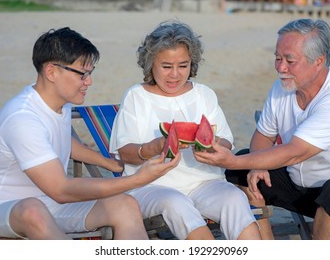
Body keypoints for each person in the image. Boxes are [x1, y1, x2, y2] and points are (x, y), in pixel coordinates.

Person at [0, 27, 180, 240]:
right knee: (33, 211)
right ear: (52, 72)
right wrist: (137, 179)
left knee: (125, 205)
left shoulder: (58, 103)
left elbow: (62, 140)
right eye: (82, 74)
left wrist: (107, 162)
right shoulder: (22, 118)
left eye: (90, 73)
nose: (89, 82)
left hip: (49, 204)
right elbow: (61, 190)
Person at [194, 18, 330, 240]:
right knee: (243, 166)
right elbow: (264, 135)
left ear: (319, 61)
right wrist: (255, 164)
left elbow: (295, 151)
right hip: (300, 188)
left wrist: (229, 160)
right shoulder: (283, 87)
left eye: (289, 60)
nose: (280, 67)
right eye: (277, 58)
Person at [109, 20, 261, 240]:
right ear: (150, 64)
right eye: (166, 66)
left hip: (205, 183)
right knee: (176, 202)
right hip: (151, 186)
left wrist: (214, 146)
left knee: (234, 198)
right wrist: (155, 147)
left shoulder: (204, 94)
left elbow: (226, 140)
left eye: (183, 65)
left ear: (192, 63)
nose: (175, 75)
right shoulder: (136, 96)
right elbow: (124, 153)